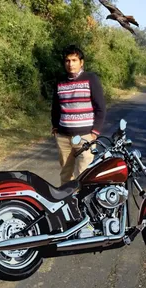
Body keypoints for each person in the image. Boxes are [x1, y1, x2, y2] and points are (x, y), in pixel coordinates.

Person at [51, 44, 106, 185]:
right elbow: (56, 107)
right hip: (64, 137)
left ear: (81, 62)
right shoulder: (60, 82)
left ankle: (83, 205)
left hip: (85, 137)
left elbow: (100, 108)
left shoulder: (91, 79)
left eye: (74, 60)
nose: (70, 64)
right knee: (65, 175)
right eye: (67, 61)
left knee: (85, 175)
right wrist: (55, 127)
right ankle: (68, 204)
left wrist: (94, 132)